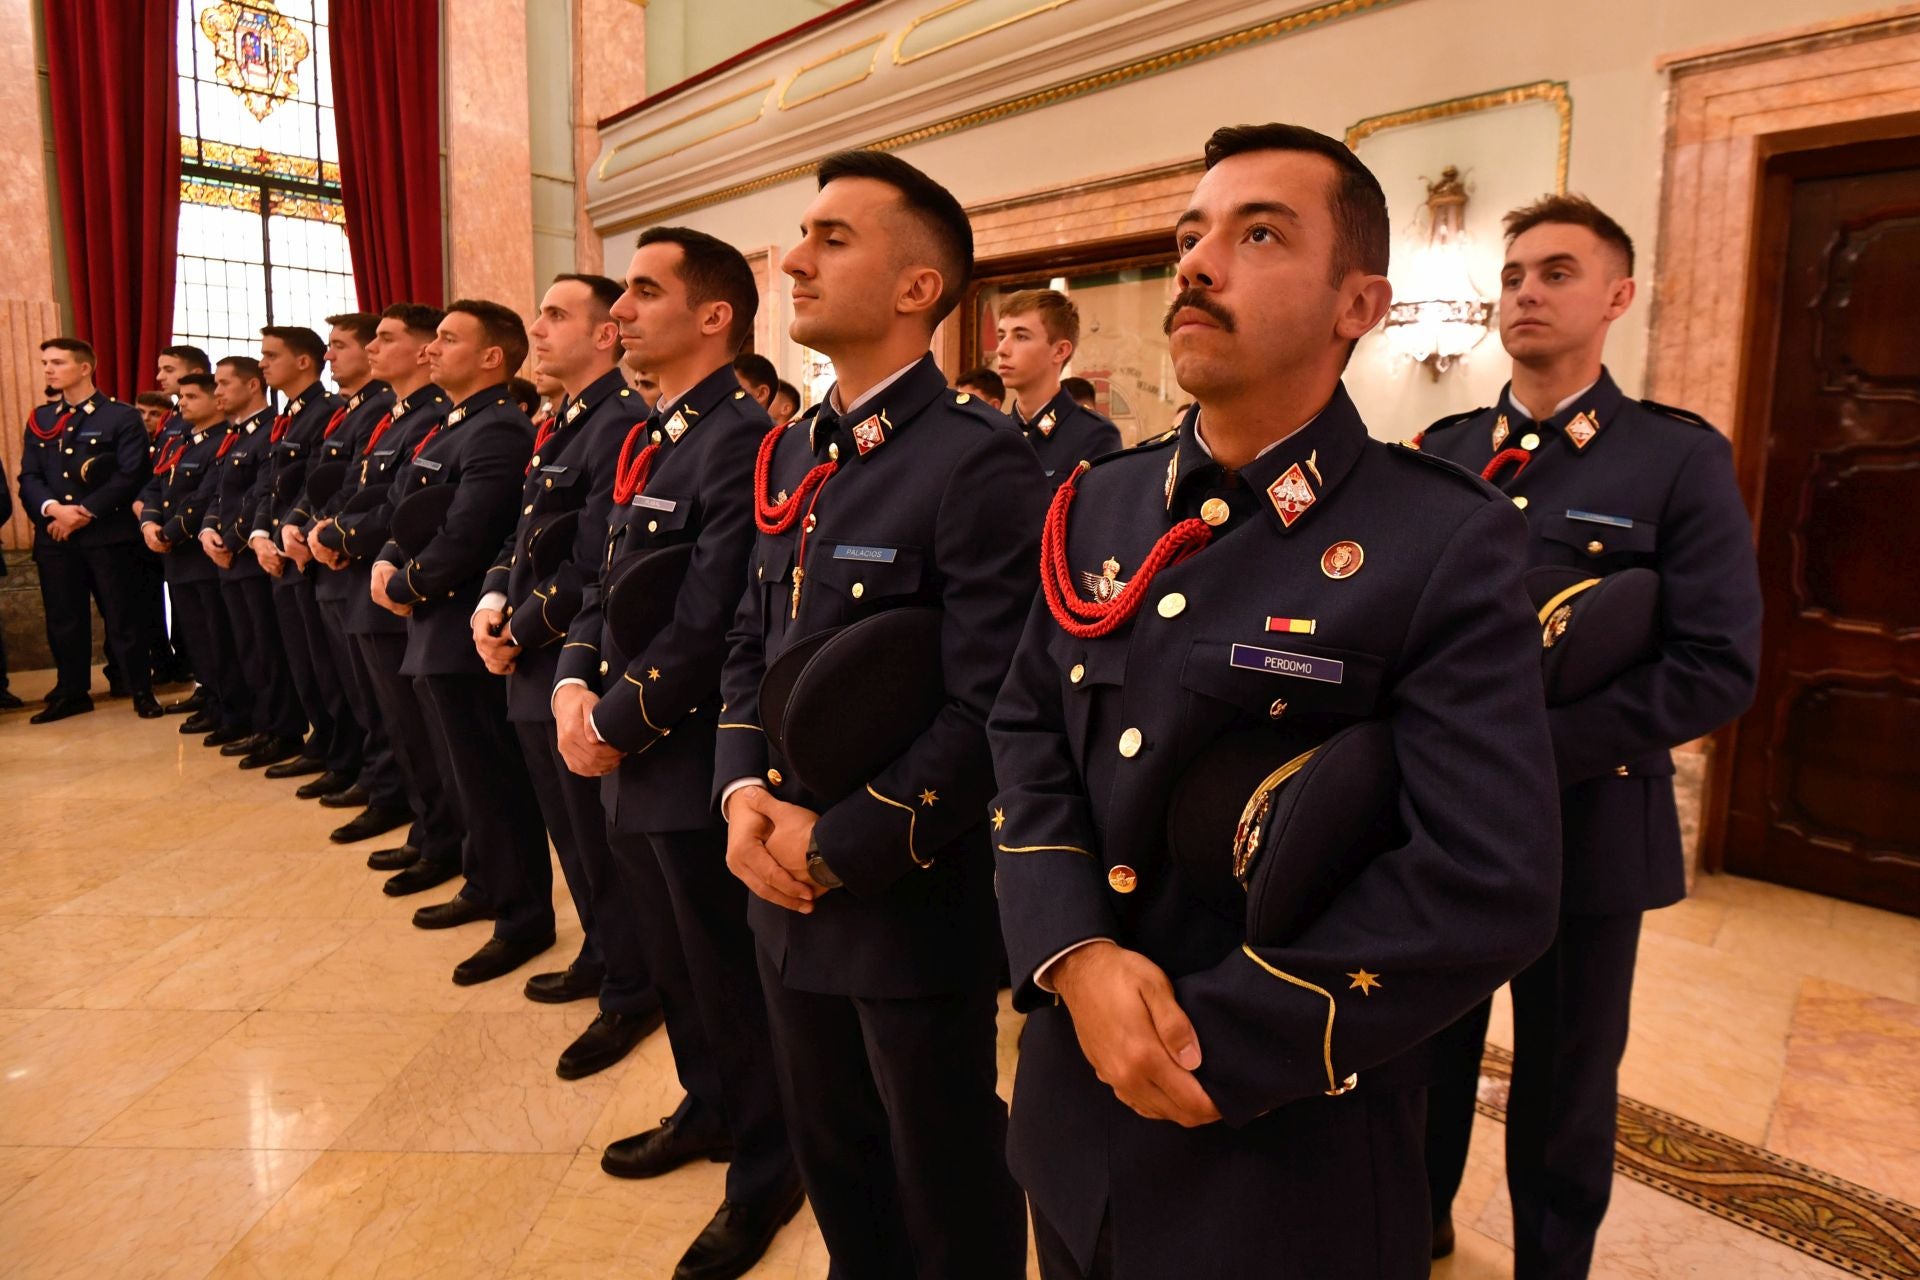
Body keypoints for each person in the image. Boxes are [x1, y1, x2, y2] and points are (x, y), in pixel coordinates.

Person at [988, 123, 1562, 1279]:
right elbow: (1027, 730)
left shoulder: (1438, 539)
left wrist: (1218, 1041)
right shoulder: (1099, 505)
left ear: (1361, 304)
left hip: (1277, 1156)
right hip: (1072, 1117)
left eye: (1258, 236)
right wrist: (1073, 952)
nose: (1198, 263)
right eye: (1189, 236)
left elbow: (1488, 877)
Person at [1418, 194, 1762, 1279]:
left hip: (1588, 818)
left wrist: (1532, 753)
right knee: (1425, 1048)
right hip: (1438, 820)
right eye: (1514, 273)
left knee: (1567, 1076)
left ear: (1618, 296)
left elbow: (1716, 664)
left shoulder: (1673, 459)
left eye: (1557, 272)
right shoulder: (1442, 452)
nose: (1526, 290)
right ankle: (1416, 1227)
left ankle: (1551, 1263)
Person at [719, 149, 1041, 1280]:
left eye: (832, 238)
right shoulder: (795, 450)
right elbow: (754, 640)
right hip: (777, 875)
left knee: (943, 1176)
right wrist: (741, 793)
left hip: (906, 894)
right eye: (803, 235)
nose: (794, 260)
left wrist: (841, 843)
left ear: (918, 288)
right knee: (837, 1162)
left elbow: (995, 702)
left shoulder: (978, 461)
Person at [552, 228, 802, 1280]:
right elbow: (608, 583)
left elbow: (710, 621)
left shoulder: (744, 441)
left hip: (690, 757)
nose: (620, 311)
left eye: (644, 292)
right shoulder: (655, 435)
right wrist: (572, 680)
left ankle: (767, 1167)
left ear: (714, 316)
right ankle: (708, 1106)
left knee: (726, 977)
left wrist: (611, 723)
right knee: (677, 965)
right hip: (629, 749)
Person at [471, 273, 665, 1079]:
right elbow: (524, 537)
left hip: (570, 662)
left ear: (605, 335)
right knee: (571, 839)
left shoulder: (619, 423)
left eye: (556, 315)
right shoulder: (563, 421)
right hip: (529, 658)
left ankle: (632, 988)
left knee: (599, 842)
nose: (539, 329)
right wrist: (491, 601)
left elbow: (591, 563)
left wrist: (515, 631)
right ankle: (601, 951)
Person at [371, 299, 554, 986]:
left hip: (461, 628)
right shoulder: (451, 425)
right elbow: (407, 510)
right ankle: (484, 881)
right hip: (432, 625)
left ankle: (521, 915)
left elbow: (471, 531)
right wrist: (387, 559)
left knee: (490, 779)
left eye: (447, 339)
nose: (430, 349)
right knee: (461, 775)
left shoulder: (498, 429)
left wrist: (405, 583)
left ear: (491, 357)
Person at [309, 304, 464, 871]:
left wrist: (341, 535)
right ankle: (424, 826)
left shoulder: (433, 418)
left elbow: (408, 507)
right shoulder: (394, 418)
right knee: (392, 721)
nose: (372, 348)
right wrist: (326, 528)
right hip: (363, 579)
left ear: (421, 349)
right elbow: (360, 489)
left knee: (419, 731)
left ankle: (438, 836)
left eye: (385, 338)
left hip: (396, 584)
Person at [288, 312, 403, 814]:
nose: (329, 355)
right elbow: (330, 480)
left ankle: (383, 783)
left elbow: (381, 495)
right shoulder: (362, 410)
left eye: (340, 345)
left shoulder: (382, 409)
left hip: (358, 563)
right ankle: (364, 770)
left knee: (378, 698)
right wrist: (304, 526)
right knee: (349, 686)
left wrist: (330, 533)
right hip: (330, 556)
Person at [21, 338, 163, 722]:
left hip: (108, 534)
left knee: (124, 616)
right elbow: (30, 476)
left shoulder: (120, 417)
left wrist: (84, 511)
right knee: (64, 617)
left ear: (84, 368)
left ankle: (140, 689)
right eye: (46, 362)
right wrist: (54, 510)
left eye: (57, 362)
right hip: (56, 535)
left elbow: (132, 474)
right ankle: (71, 692)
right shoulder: (41, 419)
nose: (48, 369)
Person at [248, 326, 355, 789]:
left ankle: (341, 752)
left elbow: (319, 483)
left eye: (271, 355)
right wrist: (262, 534)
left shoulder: (325, 412)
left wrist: (293, 533)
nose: (262, 364)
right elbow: (271, 483)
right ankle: (323, 743)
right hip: (283, 547)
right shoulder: (289, 416)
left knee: (327, 668)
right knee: (302, 662)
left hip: (306, 553)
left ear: (303, 361)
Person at [198, 355, 306, 765]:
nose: (218, 392)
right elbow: (220, 493)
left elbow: (262, 491)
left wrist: (232, 539)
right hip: (229, 555)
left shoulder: (268, 431)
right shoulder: (236, 435)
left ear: (252, 385)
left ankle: (283, 728)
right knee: (247, 647)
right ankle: (263, 724)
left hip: (251, 554)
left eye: (224, 383)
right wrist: (208, 529)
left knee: (268, 649)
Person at [139, 373, 242, 743]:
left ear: (216, 400)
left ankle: (232, 709)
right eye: (181, 396)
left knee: (218, 639)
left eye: (192, 396)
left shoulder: (224, 441)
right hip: (177, 558)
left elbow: (206, 497)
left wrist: (169, 532)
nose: (181, 403)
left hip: (201, 554)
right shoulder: (179, 441)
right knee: (197, 639)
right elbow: (155, 485)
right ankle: (212, 700)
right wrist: (149, 522)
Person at [994, 289, 1122, 484]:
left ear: (1060, 351)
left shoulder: (1093, 435)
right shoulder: (993, 432)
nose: (1001, 349)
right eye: (1001, 336)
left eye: (1021, 336)